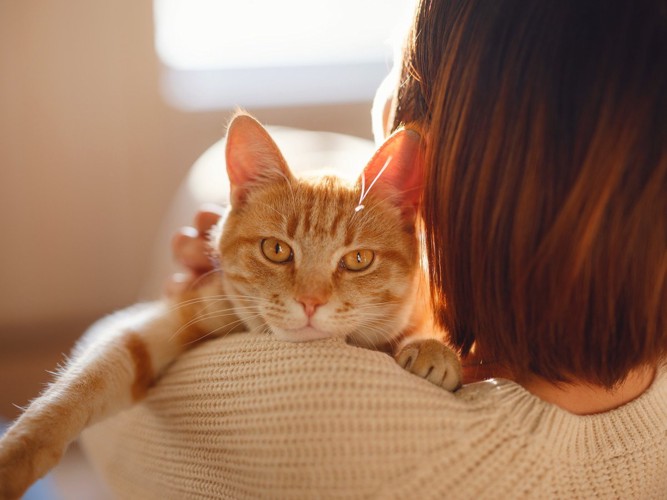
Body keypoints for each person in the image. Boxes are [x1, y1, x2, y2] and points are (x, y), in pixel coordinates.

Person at [87, 0, 666, 496]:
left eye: (399, 70)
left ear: (462, 165)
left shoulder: (352, 428)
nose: (383, 101)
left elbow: (100, 410)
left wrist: (195, 315)